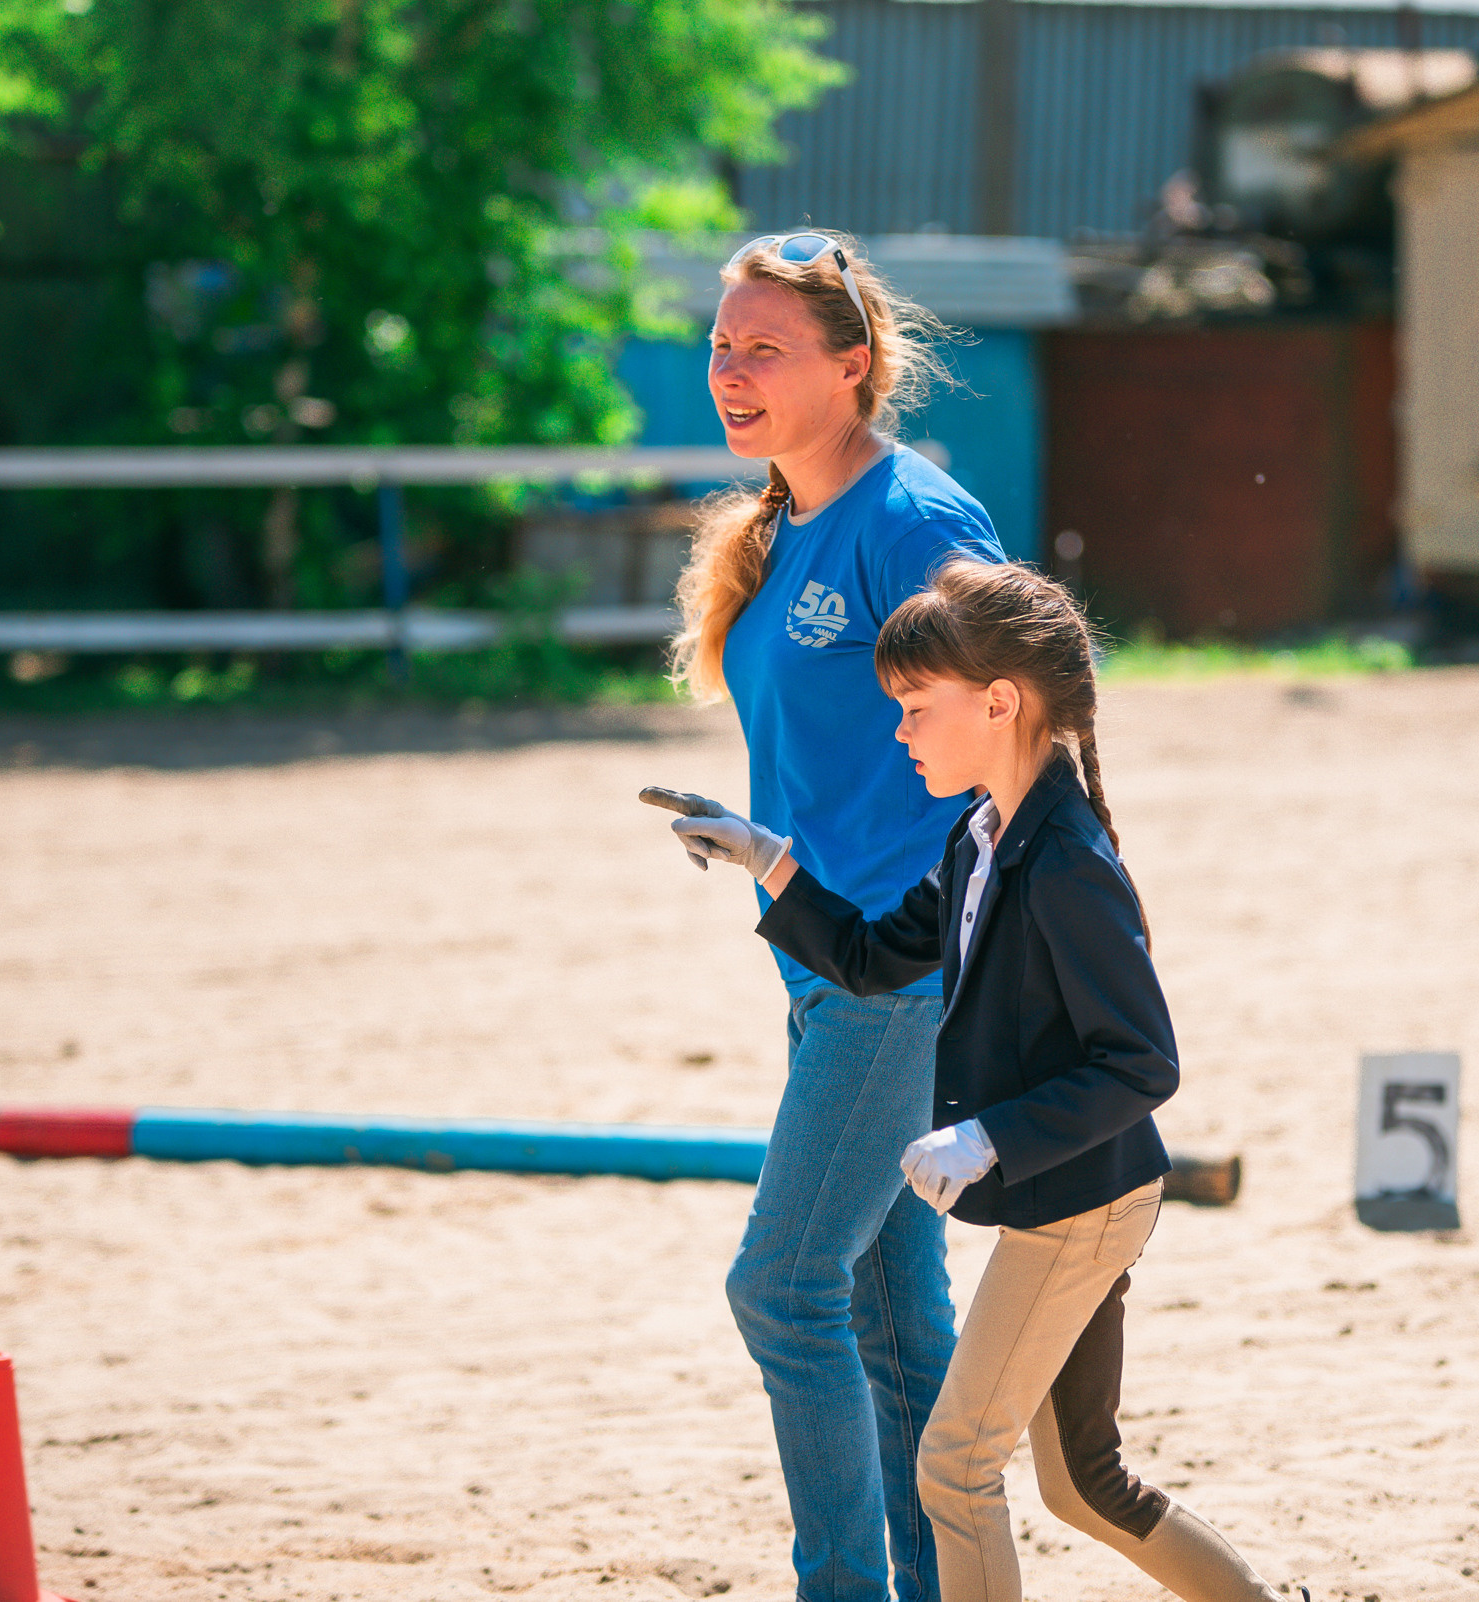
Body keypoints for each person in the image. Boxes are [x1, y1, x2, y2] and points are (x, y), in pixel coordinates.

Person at [645, 561, 1294, 1602]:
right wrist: (768, 857)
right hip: (1068, 1193)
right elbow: (868, 958)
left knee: (953, 1463)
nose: (899, 732)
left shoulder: (1069, 863)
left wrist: (988, 1137)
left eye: (913, 707)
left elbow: (1143, 1061)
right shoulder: (978, 833)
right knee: (1085, 1486)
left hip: (1082, 1204)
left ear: (999, 703)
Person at [658, 230, 1004, 1602]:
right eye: (722, 347)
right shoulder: (786, 517)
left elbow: (1000, 730)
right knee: (884, 1319)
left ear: (852, 366)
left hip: (894, 974)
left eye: (766, 349)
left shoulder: (914, 522)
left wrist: (915, 942)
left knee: (782, 1287)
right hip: (822, 965)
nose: (732, 371)